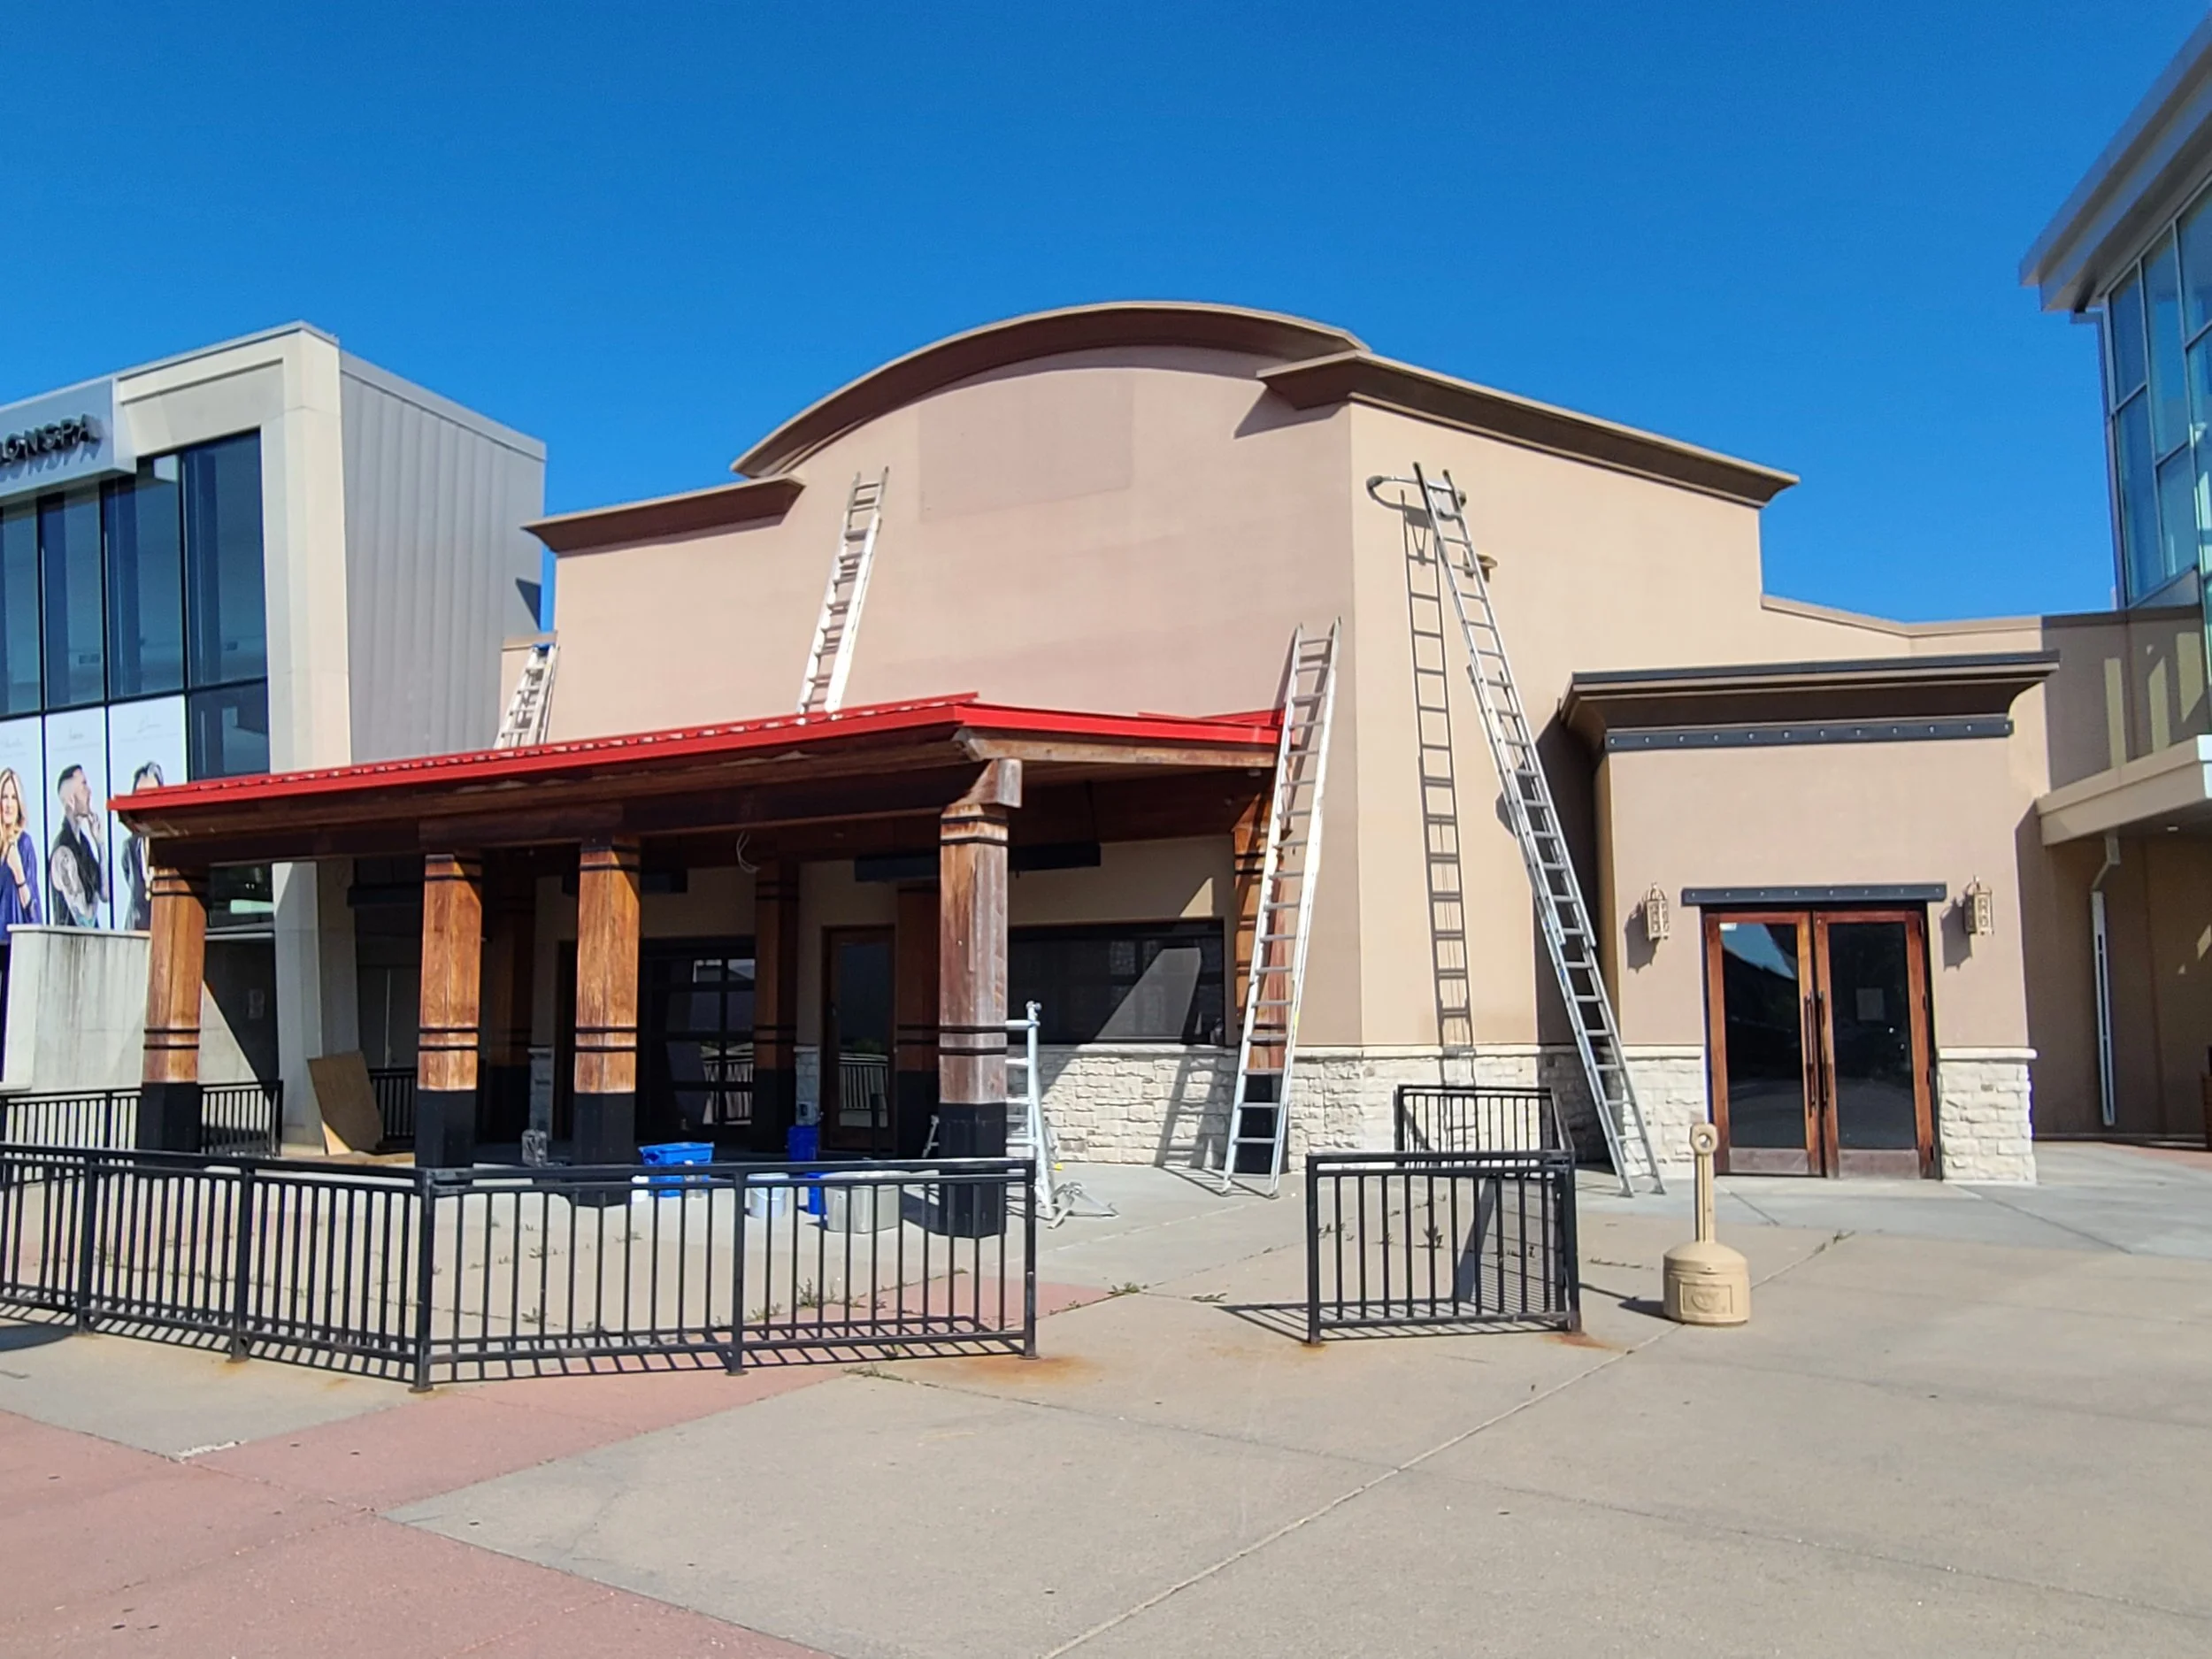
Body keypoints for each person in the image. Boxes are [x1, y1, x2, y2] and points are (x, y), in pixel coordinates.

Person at [48, 764, 104, 929]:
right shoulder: (62, 850)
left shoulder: (85, 844)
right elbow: (84, 920)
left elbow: (105, 894)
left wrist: (100, 844)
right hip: (70, 949)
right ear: (70, 799)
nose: (89, 791)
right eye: (83, 785)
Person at [119, 761, 163, 931]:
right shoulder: (130, 847)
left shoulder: (169, 844)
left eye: (152, 796)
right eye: (140, 797)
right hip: (135, 931)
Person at [0, 768, 40, 935]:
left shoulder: (24, 845)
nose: (9, 804)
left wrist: (18, 872)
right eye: (4, 797)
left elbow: (33, 913)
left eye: (14, 797)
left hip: (14, 944)